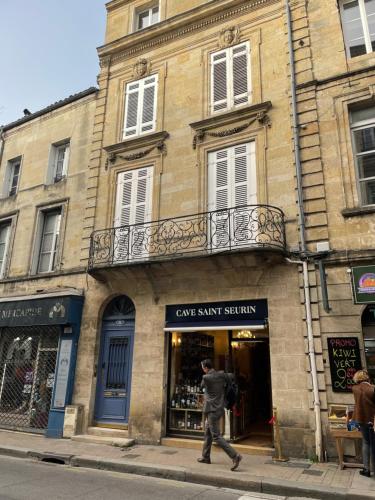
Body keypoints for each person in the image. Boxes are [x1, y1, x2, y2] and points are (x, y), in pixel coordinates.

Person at [197, 359, 242, 471]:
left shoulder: (206, 378)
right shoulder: (222, 375)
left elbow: (201, 386)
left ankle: (235, 456)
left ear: (206, 368)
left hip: (212, 410)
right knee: (208, 432)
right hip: (219, 408)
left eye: (203, 367)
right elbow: (231, 376)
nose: (202, 369)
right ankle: (205, 457)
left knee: (216, 436)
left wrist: (206, 375)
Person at [352, 369, 375, 477]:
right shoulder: (372, 389)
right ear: (367, 378)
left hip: (361, 420)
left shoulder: (355, 389)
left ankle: (366, 469)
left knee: (366, 442)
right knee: (373, 444)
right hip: (372, 420)